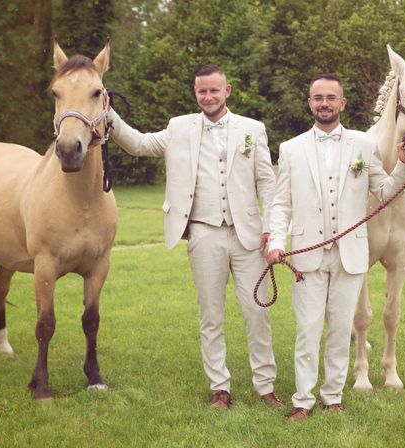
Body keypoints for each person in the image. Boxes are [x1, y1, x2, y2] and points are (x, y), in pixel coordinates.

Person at [107, 64, 283, 410]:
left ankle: (265, 387)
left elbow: (268, 183)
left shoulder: (253, 129)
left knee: (257, 312)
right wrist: (106, 112)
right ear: (195, 92)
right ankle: (220, 387)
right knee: (210, 315)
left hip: (249, 236)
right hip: (203, 234)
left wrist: (272, 229)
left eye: (214, 90)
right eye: (202, 91)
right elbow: (139, 144)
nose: (208, 97)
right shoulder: (178, 128)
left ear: (227, 91)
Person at [266, 73, 405, 422]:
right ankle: (302, 400)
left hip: (351, 254)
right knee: (307, 330)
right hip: (306, 254)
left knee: (340, 329)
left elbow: (384, 189)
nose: (324, 103)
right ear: (310, 103)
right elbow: (280, 204)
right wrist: (276, 240)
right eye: (317, 97)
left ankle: (332, 396)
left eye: (330, 97)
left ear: (342, 103)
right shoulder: (291, 149)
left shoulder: (363, 147)